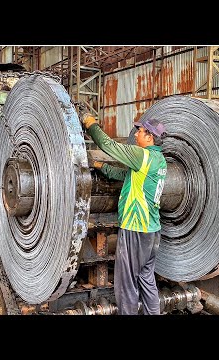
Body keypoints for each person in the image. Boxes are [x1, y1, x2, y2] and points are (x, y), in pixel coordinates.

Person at [79, 113, 167, 315]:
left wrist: (91, 124)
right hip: (152, 230)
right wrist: (101, 166)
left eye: (140, 131)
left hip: (135, 228)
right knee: (146, 279)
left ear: (150, 137)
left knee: (126, 284)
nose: (136, 135)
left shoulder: (141, 156)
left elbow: (108, 145)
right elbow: (123, 175)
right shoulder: (159, 160)